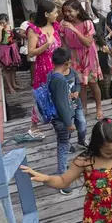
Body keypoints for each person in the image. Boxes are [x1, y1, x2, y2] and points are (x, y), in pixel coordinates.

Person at [48, 47, 87, 195]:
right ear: (66, 63)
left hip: (59, 118)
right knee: (63, 146)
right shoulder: (60, 80)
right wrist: (69, 123)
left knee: (63, 144)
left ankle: (62, 172)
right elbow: (62, 104)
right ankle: (62, 178)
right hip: (62, 120)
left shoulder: (51, 75)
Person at [61, 0, 104, 120]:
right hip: (74, 55)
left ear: (78, 10)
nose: (67, 14)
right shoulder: (63, 23)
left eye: (70, 11)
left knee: (92, 82)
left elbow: (88, 42)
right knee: (80, 84)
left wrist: (74, 29)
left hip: (88, 54)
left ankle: (99, 108)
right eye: (65, 11)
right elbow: (63, 41)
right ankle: (84, 108)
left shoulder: (87, 23)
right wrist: (65, 57)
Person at [27, 0, 62, 138]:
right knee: (42, 95)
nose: (57, 14)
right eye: (54, 12)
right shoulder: (34, 30)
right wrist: (46, 45)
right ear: (46, 14)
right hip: (43, 68)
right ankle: (34, 126)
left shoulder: (55, 26)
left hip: (57, 66)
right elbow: (30, 52)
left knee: (58, 95)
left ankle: (58, 122)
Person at [0, 13, 22, 93]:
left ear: (7, 21)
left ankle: (14, 84)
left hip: (12, 49)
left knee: (13, 68)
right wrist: (0, 29)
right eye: (0, 23)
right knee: (6, 69)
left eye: (4, 22)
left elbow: (15, 37)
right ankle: (10, 87)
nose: (2, 24)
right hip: (4, 50)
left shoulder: (10, 28)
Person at [17, 12, 36, 85]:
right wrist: (29, 36)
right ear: (31, 19)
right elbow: (20, 34)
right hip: (29, 44)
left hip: (38, 44)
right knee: (33, 62)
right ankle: (33, 80)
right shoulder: (25, 24)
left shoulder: (38, 22)